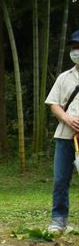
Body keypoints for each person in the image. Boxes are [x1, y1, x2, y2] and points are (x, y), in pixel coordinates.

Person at [44, 29, 79, 234]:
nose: (76, 52)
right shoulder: (64, 77)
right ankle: (58, 220)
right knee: (60, 179)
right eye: (74, 48)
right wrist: (67, 119)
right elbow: (54, 104)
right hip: (65, 136)